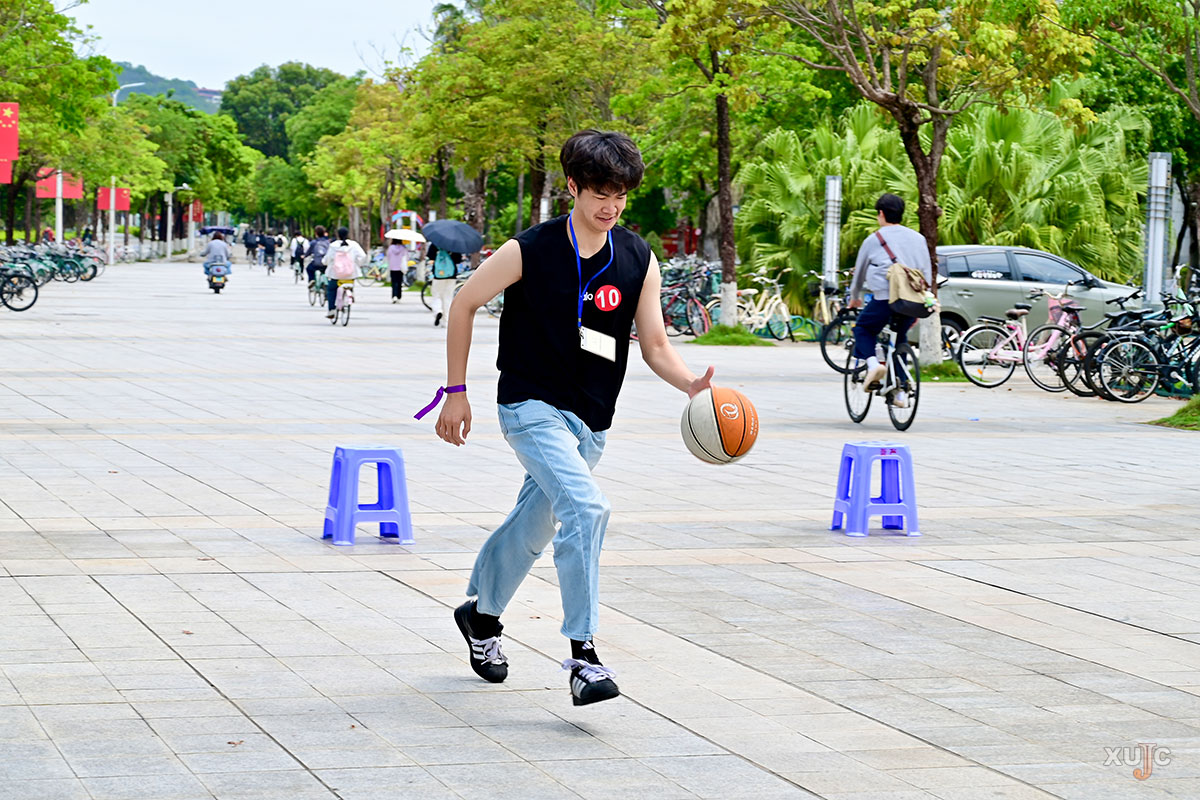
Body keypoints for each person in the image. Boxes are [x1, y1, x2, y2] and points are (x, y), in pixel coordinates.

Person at [425, 130, 715, 707]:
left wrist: (690, 384)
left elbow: (655, 344)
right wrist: (455, 391)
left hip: (592, 419)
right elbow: (464, 302)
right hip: (530, 406)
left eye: (621, 195)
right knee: (586, 508)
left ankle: (480, 617)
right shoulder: (529, 249)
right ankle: (584, 655)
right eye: (601, 194)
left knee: (535, 523)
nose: (611, 206)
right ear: (574, 187)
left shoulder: (637, 258)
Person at [848, 193, 933, 408]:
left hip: (885, 299)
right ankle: (900, 394)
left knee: (863, 329)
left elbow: (860, 273)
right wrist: (924, 297)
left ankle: (873, 365)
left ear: (881, 213)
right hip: (911, 301)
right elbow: (926, 272)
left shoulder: (874, 239)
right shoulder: (919, 239)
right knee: (899, 339)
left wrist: (855, 297)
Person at [322, 226, 367, 319]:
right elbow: (363, 256)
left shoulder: (333, 245)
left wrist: (325, 263)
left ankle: (331, 309)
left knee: (331, 289)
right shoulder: (354, 245)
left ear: (338, 235)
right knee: (349, 284)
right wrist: (357, 264)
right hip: (350, 274)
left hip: (336, 274)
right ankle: (350, 293)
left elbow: (328, 259)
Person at [426, 243, 460, 326]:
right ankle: (446, 321)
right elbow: (458, 259)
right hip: (451, 275)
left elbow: (430, 257)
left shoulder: (435, 243)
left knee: (437, 295)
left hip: (438, 275)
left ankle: (438, 311)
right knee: (448, 297)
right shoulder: (454, 244)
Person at [386, 238, 409, 303]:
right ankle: (399, 296)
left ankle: (394, 296)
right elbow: (407, 258)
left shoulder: (391, 247)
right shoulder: (403, 248)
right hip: (400, 268)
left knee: (394, 282)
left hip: (393, 267)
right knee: (399, 282)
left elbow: (388, 256)